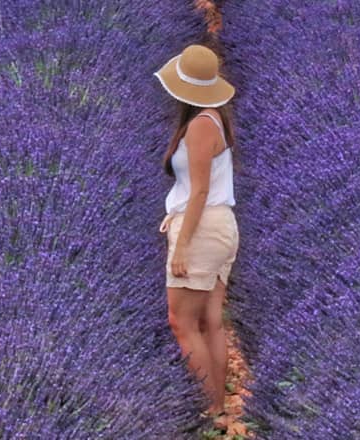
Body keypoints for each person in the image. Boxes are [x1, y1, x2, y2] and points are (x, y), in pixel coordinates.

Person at [153, 43, 240, 426]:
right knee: (209, 320)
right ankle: (218, 409)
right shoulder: (212, 118)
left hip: (201, 228)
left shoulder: (202, 125)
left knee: (181, 322)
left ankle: (208, 413)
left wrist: (182, 245)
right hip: (219, 226)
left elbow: (199, 191)